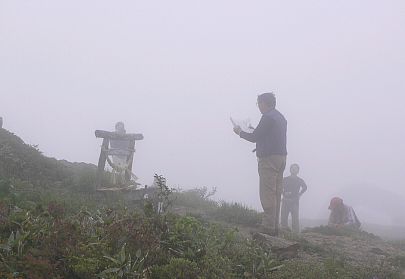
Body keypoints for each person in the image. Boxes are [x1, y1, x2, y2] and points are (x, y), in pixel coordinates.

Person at [233, 92, 287, 236]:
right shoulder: (280, 117)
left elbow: (254, 137)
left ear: (264, 103)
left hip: (269, 159)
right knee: (276, 192)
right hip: (281, 157)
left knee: (267, 193)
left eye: (258, 103)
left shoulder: (267, 117)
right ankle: (275, 226)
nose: (258, 106)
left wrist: (239, 132)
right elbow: (269, 136)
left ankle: (268, 227)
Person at [281, 164, 307, 233]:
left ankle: (296, 235)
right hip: (285, 200)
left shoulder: (299, 180)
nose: (294, 169)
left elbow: (305, 187)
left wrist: (299, 194)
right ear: (290, 169)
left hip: (294, 201)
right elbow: (279, 187)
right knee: (283, 219)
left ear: (298, 171)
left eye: (295, 168)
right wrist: (283, 193)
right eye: (292, 168)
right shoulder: (285, 179)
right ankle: (283, 234)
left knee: (295, 220)